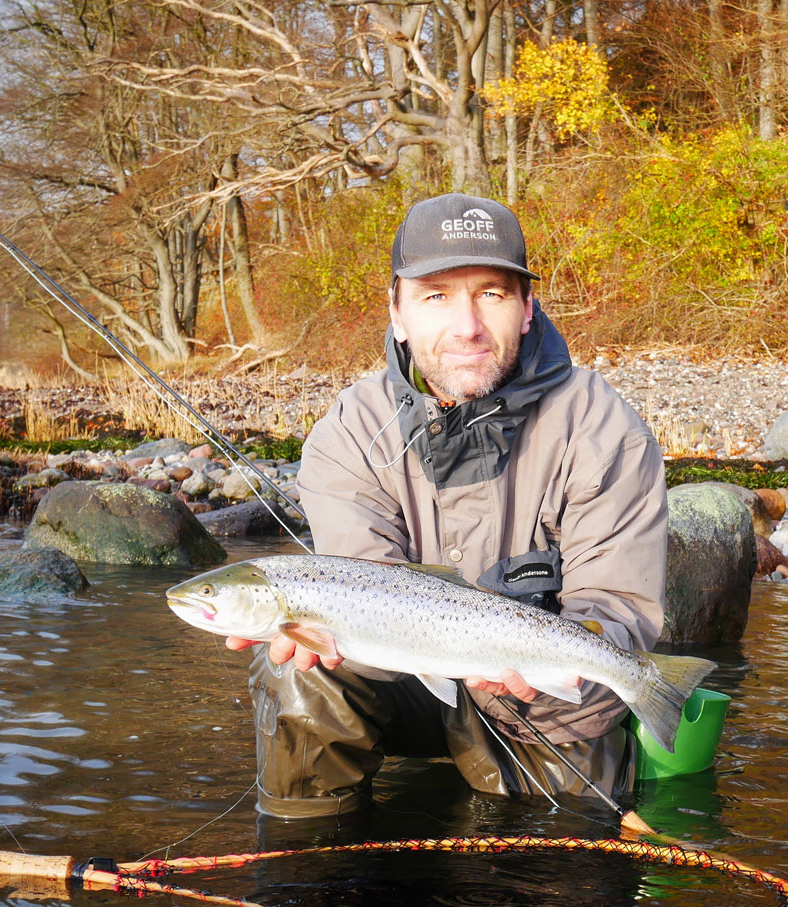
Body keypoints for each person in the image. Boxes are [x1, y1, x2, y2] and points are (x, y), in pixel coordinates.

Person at [227, 193, 668, 819]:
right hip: (396, 684)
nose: (467, 325)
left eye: (491, 293)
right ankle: (310, 875)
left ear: (526, 308)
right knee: (297, 674)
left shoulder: (603, 430)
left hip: (537, 699)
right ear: (398, 314)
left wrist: (540, 680)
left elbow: (617, 616)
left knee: (564, 854)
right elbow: (359, 589)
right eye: (435, 295)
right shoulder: (350, 431)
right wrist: (314, 639)